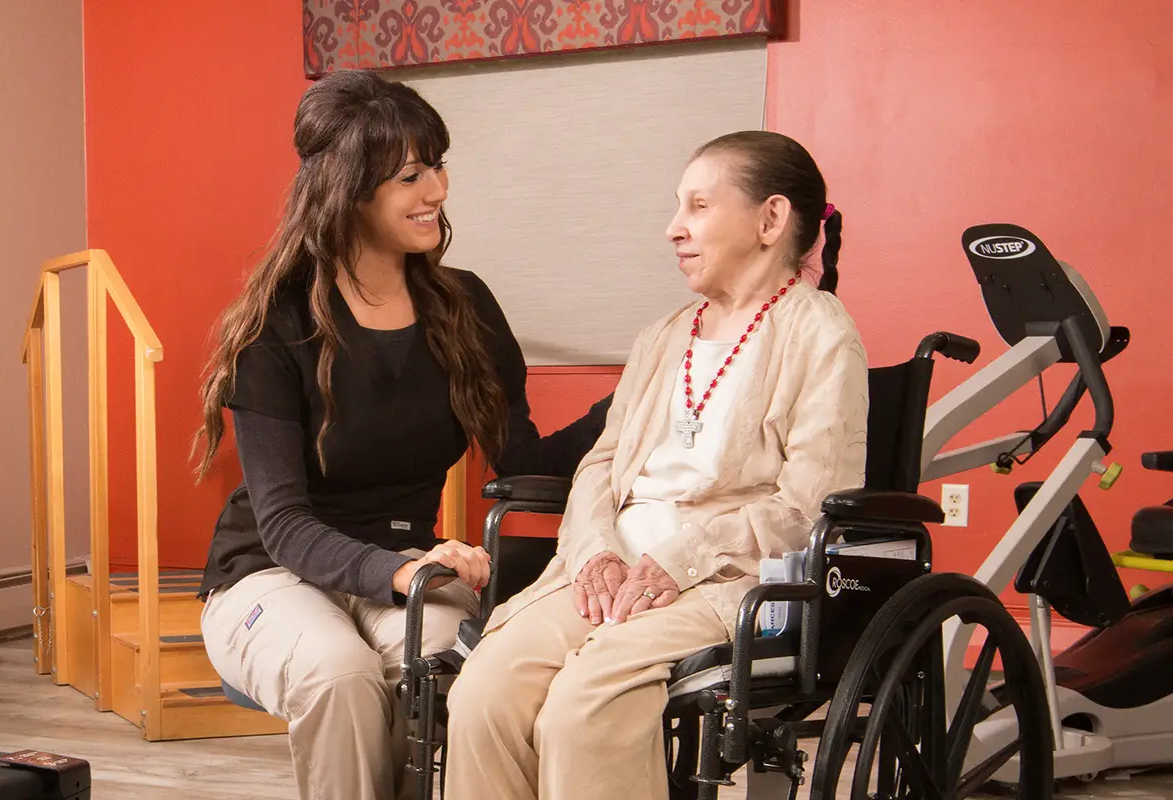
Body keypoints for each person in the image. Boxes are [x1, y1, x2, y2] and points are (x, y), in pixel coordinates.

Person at [190, 69, 611, 800]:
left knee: (459, 660)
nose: (438, 191)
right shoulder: (277, 325)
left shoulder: (466, 307)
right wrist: (405, 571)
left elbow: (526, 463)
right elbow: (284, 525)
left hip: (402, 564)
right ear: (349, 189)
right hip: (268, 572)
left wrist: (633, 400)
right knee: (338, 673)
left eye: (438, 166)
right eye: (412, 174)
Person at [443, 130, 869, 799]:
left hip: (726, 576)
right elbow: (600, 468)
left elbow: (806, 506)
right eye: (678, 208)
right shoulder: (663, 337)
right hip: (613, 568)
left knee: (584, 704)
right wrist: (594, 554)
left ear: (771, 218)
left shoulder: (820, 332)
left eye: (698, 206)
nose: (674, 228)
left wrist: (680, 559)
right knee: (484, 693)